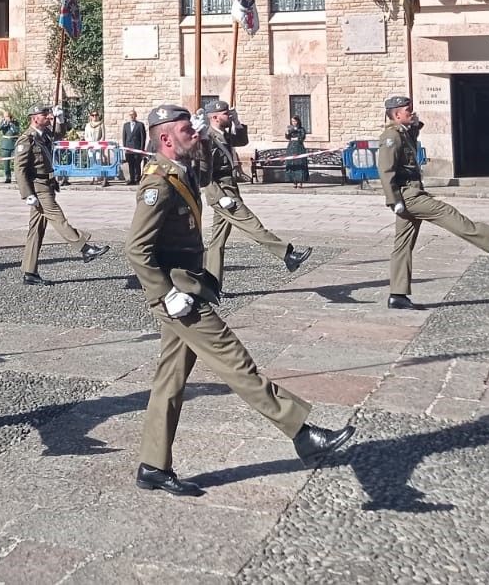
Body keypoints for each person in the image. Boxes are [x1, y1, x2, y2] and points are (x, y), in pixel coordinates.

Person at [128, 103, 354, 496]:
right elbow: (136, 248)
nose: (194, 133)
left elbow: (207, 165)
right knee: (235, 361)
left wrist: (206, 134)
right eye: (185, 130)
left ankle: (153, 464)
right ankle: (300, 432)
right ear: (165, 139)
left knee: (169, 379)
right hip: (179, 296)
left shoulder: (179, 171)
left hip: (189, 287)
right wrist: (164, 295)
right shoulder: (158, 184)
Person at [377, 95, 489, 308]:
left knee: (402, 245)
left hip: (412, 192)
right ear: (397, 114)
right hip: (407, 195)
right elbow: (385, 170)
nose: (412, 112)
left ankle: (397, 295)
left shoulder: (403, 133)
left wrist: (415, 126)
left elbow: (410, 152)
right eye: (408, 110)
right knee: (446, 213)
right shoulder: (391, 137)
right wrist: (393, 200)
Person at [197, 100, 309, 290]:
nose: (229, 116)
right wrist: (218, 196)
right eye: (226, 114)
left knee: (217, 241)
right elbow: (202, 173)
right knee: (252, 224)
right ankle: (287, 255)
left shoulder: (223, 133)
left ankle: (211, 284)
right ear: (214, 117)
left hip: (231, 187)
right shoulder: (206, 138)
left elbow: (242, 141)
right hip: (222, 192)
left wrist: (238, 123)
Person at [16, 102, 107, 284]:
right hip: (38, 185)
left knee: (36, 230)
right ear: (35, 118)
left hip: (48, 183)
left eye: (49, 114)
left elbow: (59, 134)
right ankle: (84, 248)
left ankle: (29, 272)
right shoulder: (27, 139)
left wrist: (61, 118)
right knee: (57, 217)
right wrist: (27, 194)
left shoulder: (43, 135)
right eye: (45, 115)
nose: (48, 117)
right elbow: (19, 168)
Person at [283, 114, 309, 186]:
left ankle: (300, 181)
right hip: (291, 148)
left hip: (299, 147)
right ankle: (294, 181)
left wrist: (297, 136)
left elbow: (302, 137)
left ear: (298, 121)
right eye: (292, 121)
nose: (293, 122)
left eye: (294, 121)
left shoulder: (301, 129)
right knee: (292, 163)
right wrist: (287, 133)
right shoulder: (290, 128)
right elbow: (287, 137)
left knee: (300, 163)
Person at [121, 110, 146, 184]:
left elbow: (143, 137)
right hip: (129, 148)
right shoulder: (126, 125)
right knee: (130, 164)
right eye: (130, 115)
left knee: (137, 164)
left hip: (137, 147)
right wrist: (125, 147)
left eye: (133, 115)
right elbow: (124, 137)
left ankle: (137, 179)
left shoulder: (140, 125)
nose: (132, 116)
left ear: (136, 115)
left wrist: (141, 149)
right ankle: (131, 179)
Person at [0, 110, 20, 184]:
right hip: (6, 145)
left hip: (14, 144)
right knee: (6, 163)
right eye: (5, 116)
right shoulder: (3, 122)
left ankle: (18, 177)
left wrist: (11, 123)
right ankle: (8, 177)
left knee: (17, 162)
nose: (6, 118)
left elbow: (16, 131)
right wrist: (4, 123)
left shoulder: (15, 122)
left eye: (7, 116)